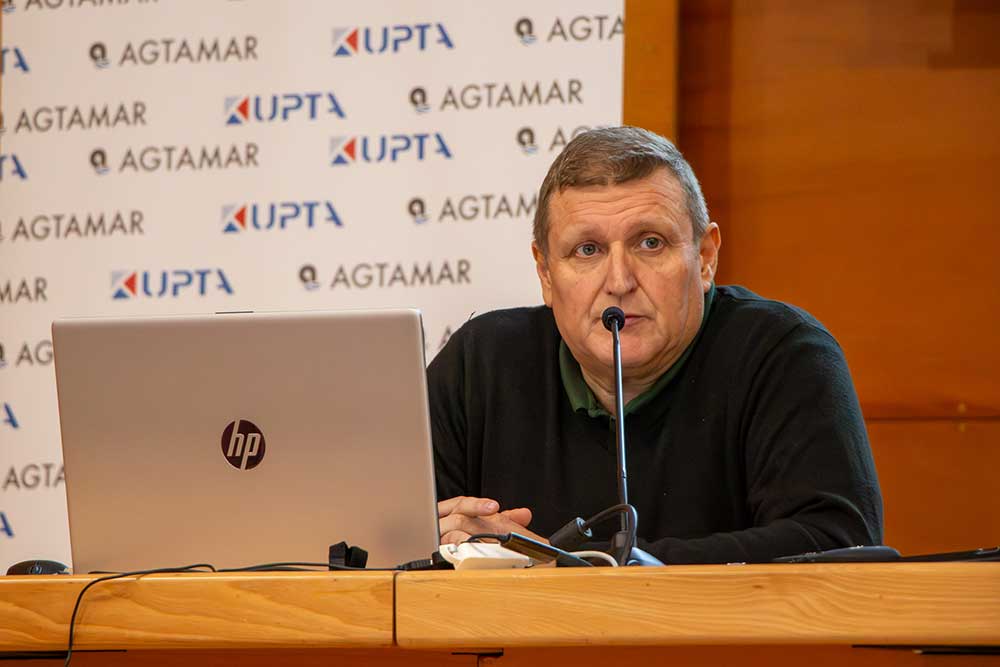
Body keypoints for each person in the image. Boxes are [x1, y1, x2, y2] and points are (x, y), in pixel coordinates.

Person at [428, 126, 883, 564]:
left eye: (650, 243)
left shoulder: (782, 354)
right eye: (587, 250)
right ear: (545, 273)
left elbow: (838, 544)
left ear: (705, 258)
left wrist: (568, 566)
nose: (619, 281)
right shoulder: (479, 366)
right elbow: (399, 539)